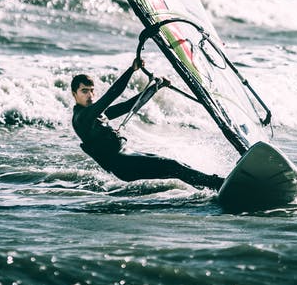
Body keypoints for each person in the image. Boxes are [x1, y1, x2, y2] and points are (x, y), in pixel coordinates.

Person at [71, 59, 224, 191]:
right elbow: (113, 93)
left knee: (177, 165)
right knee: (173, 166)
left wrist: (155, 87)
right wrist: (131, 70)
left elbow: (128, 106)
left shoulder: (95, 113)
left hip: (129, 155)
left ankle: (210, 185)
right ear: (74, 94)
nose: (90, 95)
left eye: (92, 91)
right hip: (123, 165)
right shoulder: (82, 117)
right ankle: (217, 184)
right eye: (84, 91)